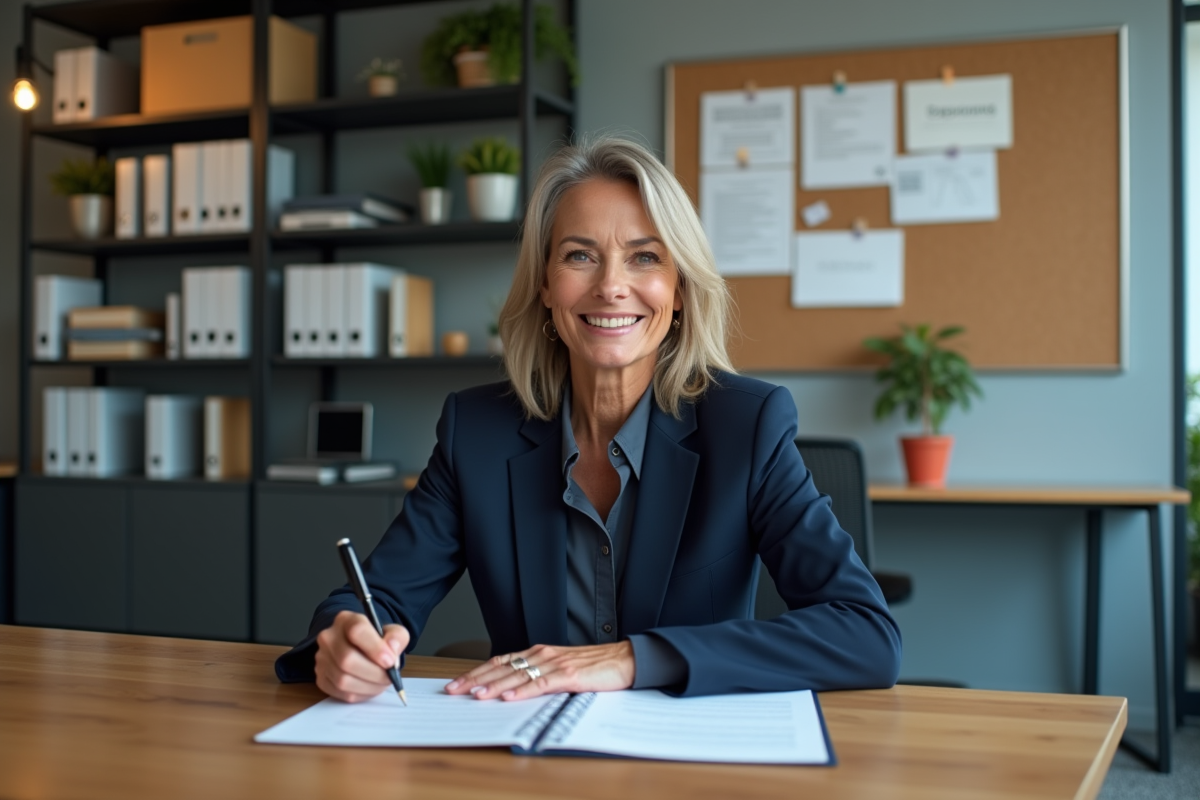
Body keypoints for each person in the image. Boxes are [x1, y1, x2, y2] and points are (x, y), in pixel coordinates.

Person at [275, 136, 901, 702]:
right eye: (579, 256)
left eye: (645, 258)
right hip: (525, 754)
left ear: (679, 290)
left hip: (688, 760)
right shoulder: (477, 431)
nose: (611, 286)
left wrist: (632, 660)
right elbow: (378, 596)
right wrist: (345, 639)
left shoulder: (748, 426)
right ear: (546, 286)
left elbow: (866, 633)